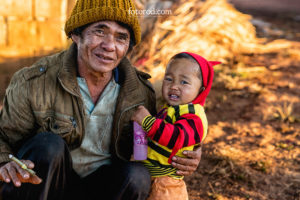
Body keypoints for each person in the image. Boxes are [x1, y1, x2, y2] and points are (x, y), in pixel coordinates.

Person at [0, 0, 202, 200]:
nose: (109, 46)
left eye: (121, 37)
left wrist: (193, 151)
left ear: (127, 47)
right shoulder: (34, 82)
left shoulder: (140, 92)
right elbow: (4, 137)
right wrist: (3, 163)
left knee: (138, 175)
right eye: (100, 31)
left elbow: (169, 128)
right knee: (49, 145)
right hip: (46, 187)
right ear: (76, 34)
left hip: (103, 188)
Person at [131, 52, 221, 200]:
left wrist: (147, 121)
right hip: (149, 175)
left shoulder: (194, 116)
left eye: (184, 82)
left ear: (201, 90)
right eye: (168, 79)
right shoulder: (169, 108)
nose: (174, 86)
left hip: (166, 183)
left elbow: (176, 137)